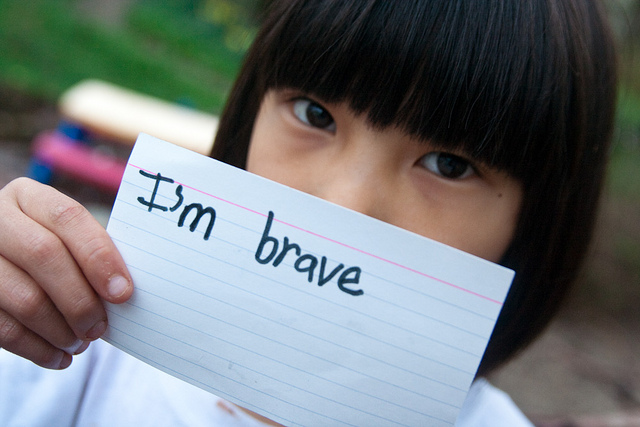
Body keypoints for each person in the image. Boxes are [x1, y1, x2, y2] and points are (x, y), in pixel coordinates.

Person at [0, 0, 617, 425]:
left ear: (534, 228)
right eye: (314, 115)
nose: (344, 204)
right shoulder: (79, 346)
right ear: (248, 116)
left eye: (449, 165)